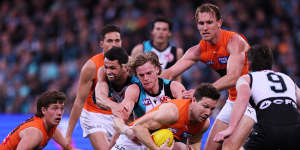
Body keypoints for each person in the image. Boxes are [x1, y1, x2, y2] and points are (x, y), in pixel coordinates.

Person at [161, 3, 256, 150]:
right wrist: (140, 82)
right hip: (232, 101)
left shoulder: (234, 41)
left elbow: (233, 77)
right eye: (201, 23)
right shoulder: (198, 50)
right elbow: (169, 73)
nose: (205, 27)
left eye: (209, 22)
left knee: (229, 147)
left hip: (252, 99)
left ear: (219, 22)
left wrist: (201, 92)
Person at [214, 45, 300, 150]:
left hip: (268, 128)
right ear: (270, 63)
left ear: (248, 64)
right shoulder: (287, 78)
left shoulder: (247, 79)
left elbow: (242, 100)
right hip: (295, 129)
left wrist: (230, 128)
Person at [111, 83, 220, 150]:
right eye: (205, 106)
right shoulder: (172, 112)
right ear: (194, 100)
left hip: (157, 144)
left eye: (212, 109)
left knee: (181, 148)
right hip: (134, 140)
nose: (208, 113)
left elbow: (194, 142)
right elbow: (138, 127)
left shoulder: (204, 123)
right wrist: (155, 149)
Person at [66, 25, 122, 150]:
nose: (114, 44)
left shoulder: (128, 64)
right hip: (94, 115)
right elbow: (79, 101)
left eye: (117, 41)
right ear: (102, 44)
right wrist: (68, 135)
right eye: (110, 41)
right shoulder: (91, 67)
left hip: (118, 116)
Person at [0, 91, 76, 150]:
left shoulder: (50, 126)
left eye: (61, 109)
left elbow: (68, 148)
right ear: (43, 110)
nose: (59, 113)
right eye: (55, 108)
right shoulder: (35, 133)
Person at [131, 16, 184, 82]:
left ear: (170, 33)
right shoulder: (139, 50)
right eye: (158, 29)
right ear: (152, 32)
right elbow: (133, 75)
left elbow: (178, 78)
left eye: (164, 29)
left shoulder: (177, 52)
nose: (161, 32)